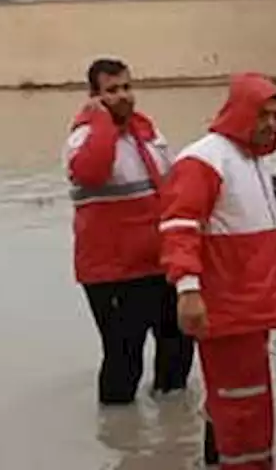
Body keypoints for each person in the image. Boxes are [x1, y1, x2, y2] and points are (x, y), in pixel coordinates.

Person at [159, 73, 276, 470]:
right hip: (228, 308)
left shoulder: (253, 160)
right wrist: (188, 289)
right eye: (262, 114)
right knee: (243, 408)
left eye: (275, 116)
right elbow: (179, 227)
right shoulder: (205, 160)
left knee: (237, 401)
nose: (270, 124)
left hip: (251, 307)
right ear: (240, 112)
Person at [63, 58, 194, 406]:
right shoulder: (82, 140)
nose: (123, 96)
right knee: (124, 358)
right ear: (94, 96)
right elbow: (91, 172)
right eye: (112, 91)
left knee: (178, 346)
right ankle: (119, 438)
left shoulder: (148, 134)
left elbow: (173, 190)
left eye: (126, 87)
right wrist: (102, 122)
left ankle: (172, 433)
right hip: (112, 273)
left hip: (159, 264)